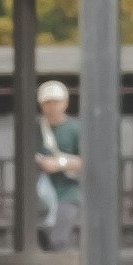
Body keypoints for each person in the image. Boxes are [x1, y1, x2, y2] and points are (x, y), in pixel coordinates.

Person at [31, 70, 79, 249]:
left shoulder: (75, 129)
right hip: (40, 192)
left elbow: (88, 160)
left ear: (65, 103)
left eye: (56, 101)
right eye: (47, 102)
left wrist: (59, 164)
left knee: (59, 239)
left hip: (68, 191)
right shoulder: (35, 129)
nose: (52, 106)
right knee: (42, 238)